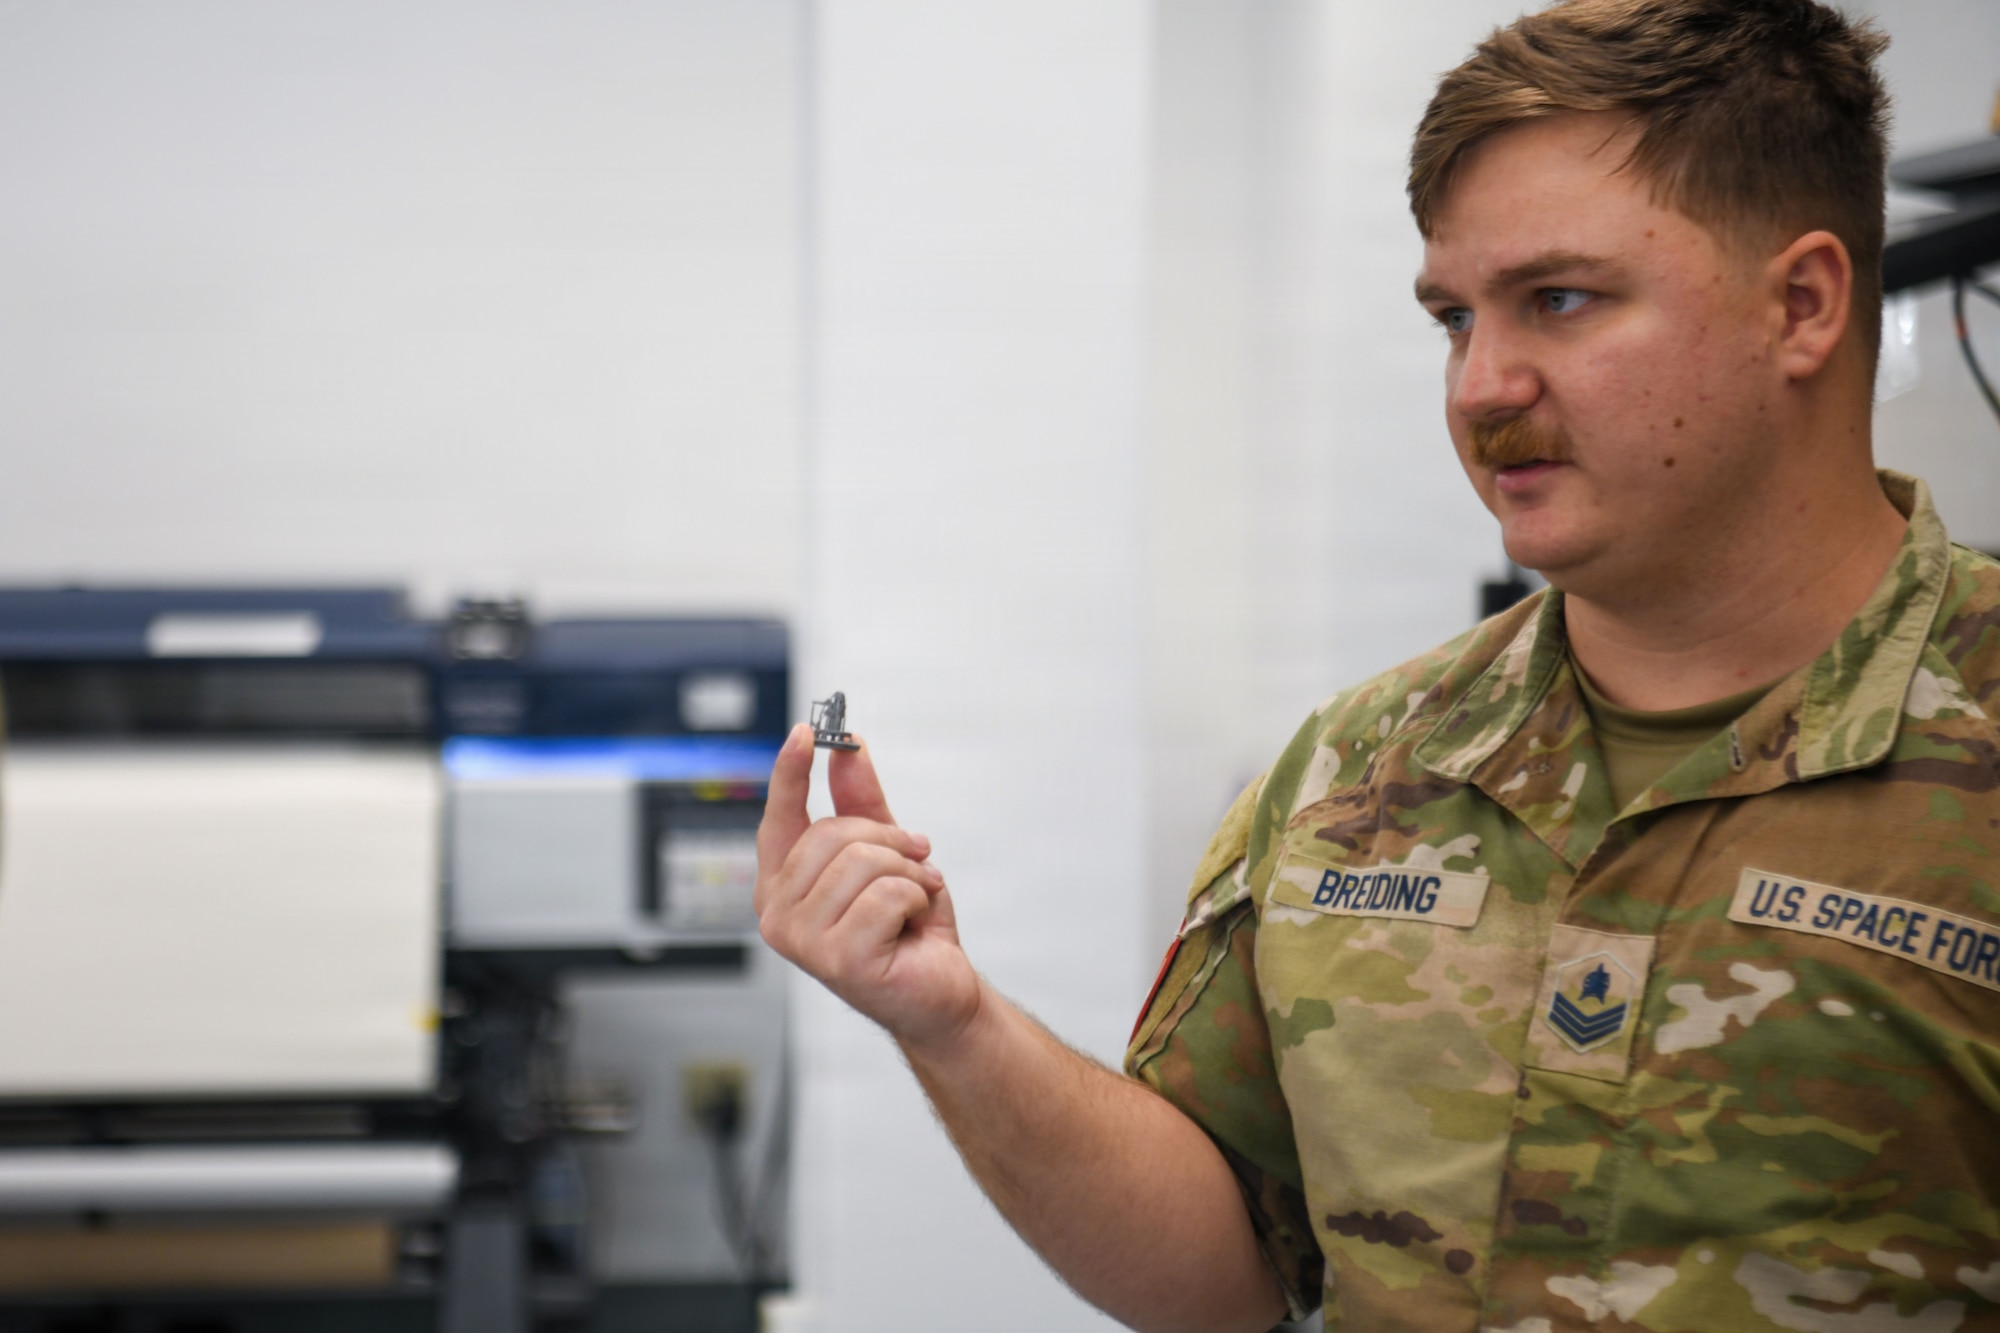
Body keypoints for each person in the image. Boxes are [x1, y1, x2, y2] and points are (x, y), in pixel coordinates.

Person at [755, 1, 2000, 1329]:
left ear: (1801, 306)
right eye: (1455, 319)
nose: (1480, 387)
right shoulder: (1361, 765)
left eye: (1560, 300)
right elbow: (1222, 1273)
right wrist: (951, 1022)